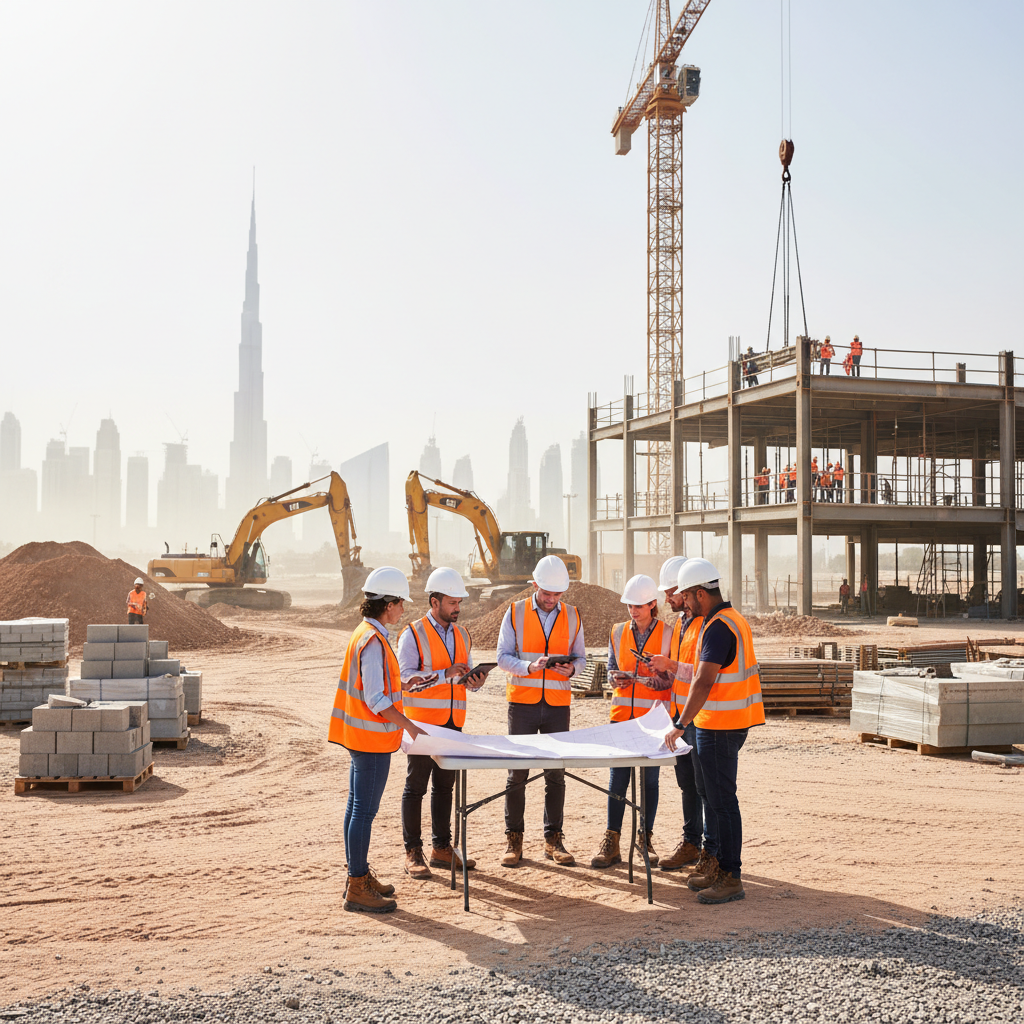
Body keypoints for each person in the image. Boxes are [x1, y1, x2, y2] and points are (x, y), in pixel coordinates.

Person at [664, 559, 765, 905]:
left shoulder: (719, 627)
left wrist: (680, 724)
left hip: (721, 726)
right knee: (713, 797)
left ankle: (730, 875)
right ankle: (717, 863)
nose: (685, 603)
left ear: (699, 593)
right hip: (719, 724)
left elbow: (703, 680)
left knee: (722, 803)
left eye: (687, 596)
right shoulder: (726, 620)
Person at [328, 566, 426, 913]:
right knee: (364, 813)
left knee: (356, 809)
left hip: (363, 739)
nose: (404, 610)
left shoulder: (366, 633)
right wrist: (409, 725)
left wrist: (403, 687)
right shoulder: (373, 641)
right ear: (390, 605)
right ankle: (357, 885)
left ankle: (358, 876)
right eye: (401, 604)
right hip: (370, 742)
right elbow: (375, 700)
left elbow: (377, 687)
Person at [397, 566, 490, 880]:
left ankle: (441, 847)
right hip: (422, 725)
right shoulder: (412, 633)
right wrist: (444, 674)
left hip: (453, 723)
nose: (458, 608)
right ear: (434, 601)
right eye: (452, 603)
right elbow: (405, 680)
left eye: (459, 602)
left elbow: (463, 680)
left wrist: (474, 681)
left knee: (444, 788)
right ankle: (413, 852)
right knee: (415, 789)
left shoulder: (462, 633)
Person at [497, 554, 585, 867]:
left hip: (558, 705)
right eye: (546, 594)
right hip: (522, 704)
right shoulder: (515, 611)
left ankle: (553, 840)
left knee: (555, 774)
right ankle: (514, 841)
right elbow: (502, 657)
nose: (551, 600)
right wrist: (528, 666)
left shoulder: (573, 614)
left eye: (557, 595)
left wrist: (571, 672)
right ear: (534, 585)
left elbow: (581, 658)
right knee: (517, 774)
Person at [590, 575, 671, 870]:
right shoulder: (618, 631)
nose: (633, 611)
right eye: (629, 606)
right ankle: (612, 841)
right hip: (621, 718)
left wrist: (647, 677)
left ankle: (644, 838)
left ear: (653, 604)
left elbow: (670, 680)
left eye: (638, 606)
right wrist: (616, 677)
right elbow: (611, 670)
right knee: (618, 780)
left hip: (653, 718)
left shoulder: (668, 634)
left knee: (650, 781)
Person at [649, 556, 710, 873]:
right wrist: (658, 675)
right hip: (681, 717)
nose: (667, 599)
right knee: (687, 783)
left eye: (671, 592)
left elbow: (703, 673)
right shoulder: (681, 625)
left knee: (704, 785)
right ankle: (691, 843)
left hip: (699, 719)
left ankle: (708, 851)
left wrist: (670, 666)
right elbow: (680, 675)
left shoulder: (704, 624)